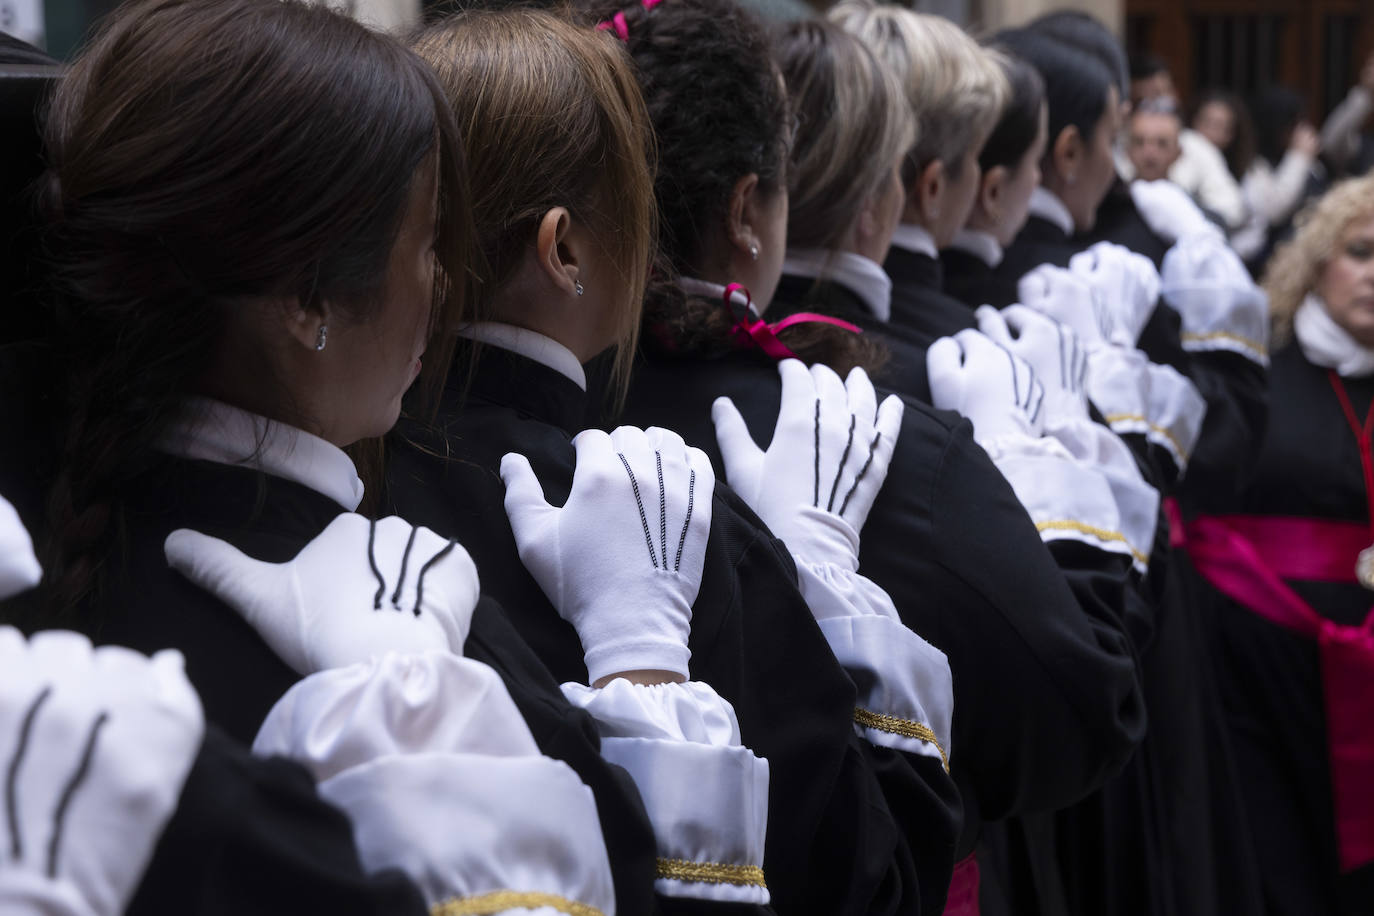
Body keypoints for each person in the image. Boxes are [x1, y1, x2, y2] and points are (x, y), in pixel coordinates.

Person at [3, 1, 688, 911]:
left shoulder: (44, 531)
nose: (446, 281)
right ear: (310, 300)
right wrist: (643, 661)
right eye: (430, 239)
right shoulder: (418, 649)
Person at [385, 7, 958, 914]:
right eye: (637, 214)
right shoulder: (676, 521)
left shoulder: (341, 484)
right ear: (566, 249)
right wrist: (820, 578)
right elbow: (871, 881)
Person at [594, 2, 1149, 913]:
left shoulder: (505, 414)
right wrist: (1036, 463)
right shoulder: (891, 435)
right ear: (748, 210)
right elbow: (1083, 713)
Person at [1175, 174, 1374, 915]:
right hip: (1261, 681)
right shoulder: (1262, 377)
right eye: (1359, 252)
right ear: (1316, 262)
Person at [1126, 97, 1185, 184]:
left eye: (1161, 143)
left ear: (1178, 153)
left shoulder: (1184, 198)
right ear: (1127, 150)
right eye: (1139, 142)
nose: (1149, 152)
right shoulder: (1107, 197)